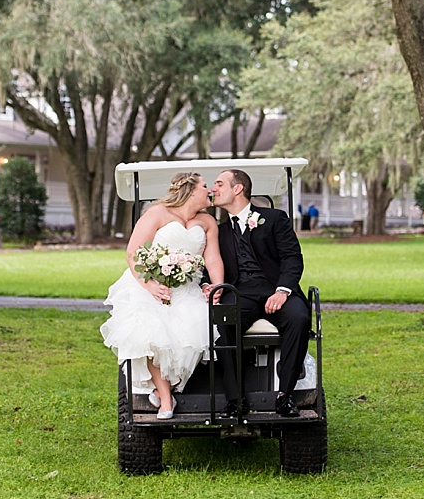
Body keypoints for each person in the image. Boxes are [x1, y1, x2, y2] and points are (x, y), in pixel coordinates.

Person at [100, 172, 223, 419]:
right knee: (150, 331)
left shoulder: (208, 221)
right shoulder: (157, 213)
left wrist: (217, 286)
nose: (209, 191)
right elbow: (134, 252)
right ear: (190, 190)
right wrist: (150, 285)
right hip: (152, 285)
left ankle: (169, 386)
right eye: (205, 186)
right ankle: (166, 399)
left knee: (193, 332)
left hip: (187, 289)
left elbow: (212, 258)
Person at [209, 169, 310, 419]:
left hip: (275, 288)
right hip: (238, 291)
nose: (214, 189)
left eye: (220, 184)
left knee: (299, 318)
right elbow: (207, 263)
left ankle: (284, 395)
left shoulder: (274, 218)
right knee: (224, 323)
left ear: (238, 189)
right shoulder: (219, 231)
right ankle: (236, 400)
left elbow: (292, 257)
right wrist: (205, 284)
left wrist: (282, 291)